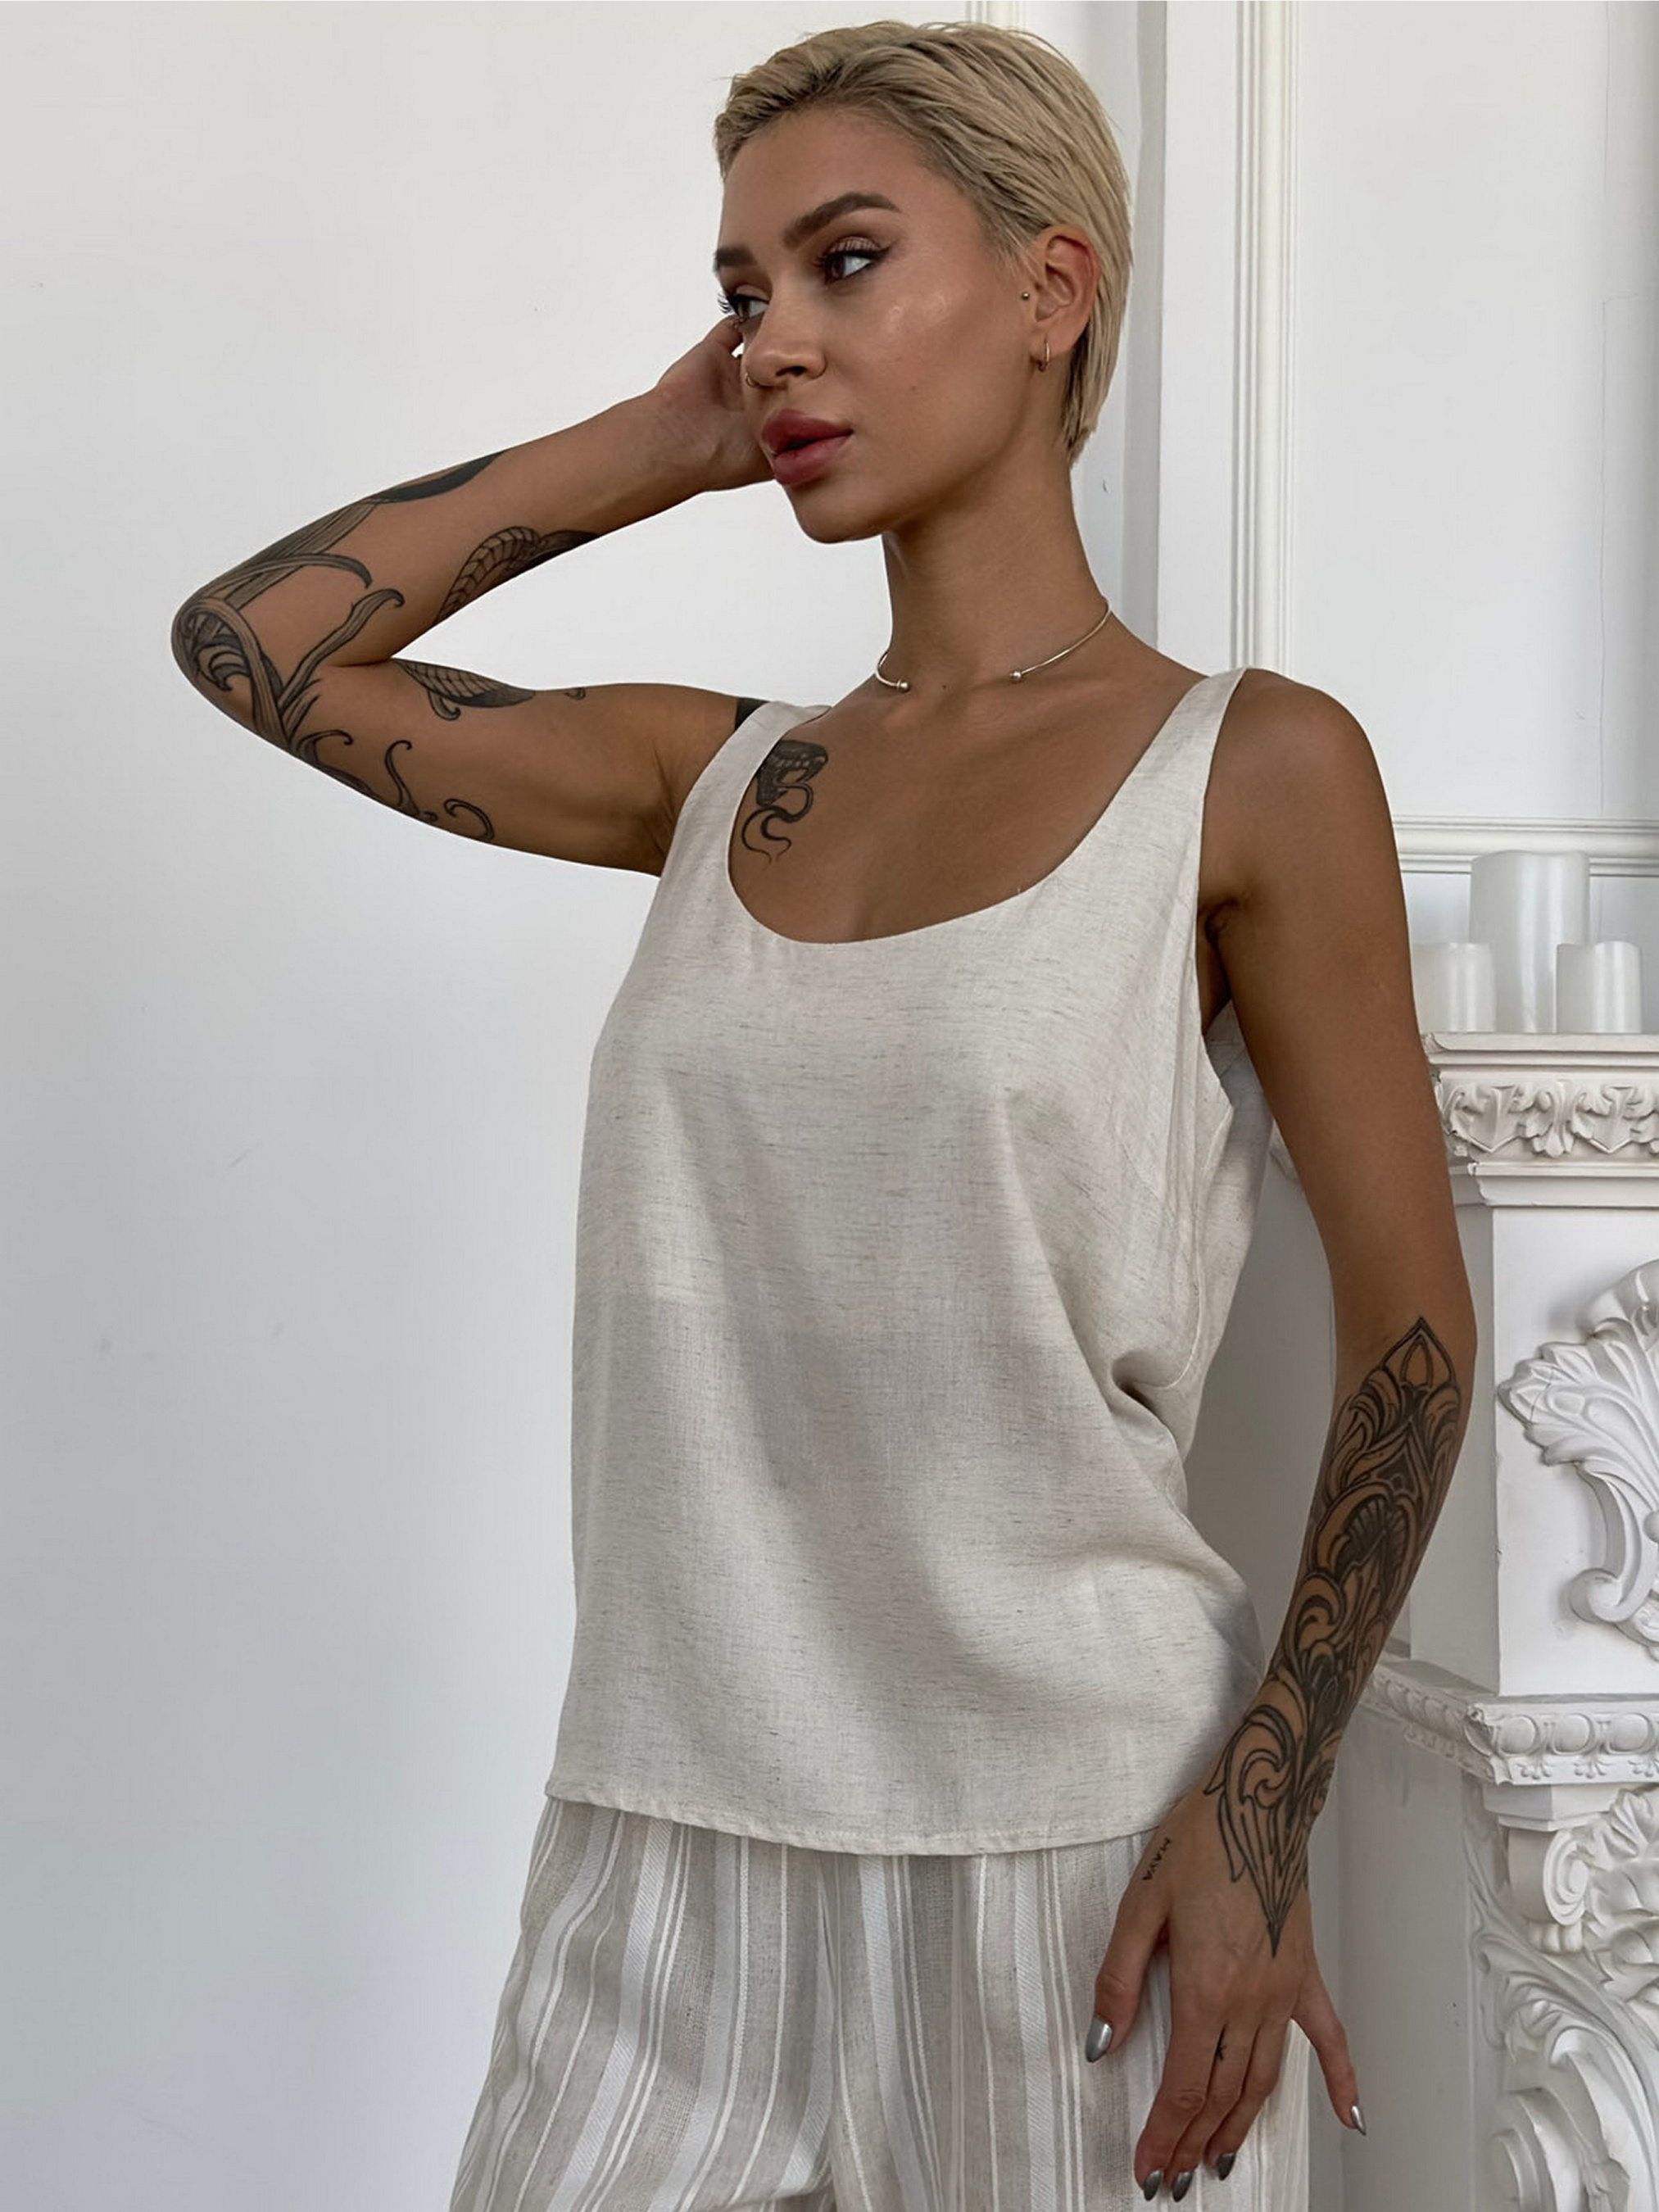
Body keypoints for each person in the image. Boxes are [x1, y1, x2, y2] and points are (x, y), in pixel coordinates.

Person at [170, 19, 1475, 2209]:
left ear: (1052, 289)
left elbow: (1412, 1335)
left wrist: (1265, 1806)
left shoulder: (1247, 771)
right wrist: (658, 437)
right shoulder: (710, 775)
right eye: (740, 287)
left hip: (1075, 1873)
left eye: (843, 262)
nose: (774, 333)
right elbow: (253, 647)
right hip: (663, 1841)